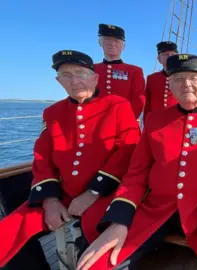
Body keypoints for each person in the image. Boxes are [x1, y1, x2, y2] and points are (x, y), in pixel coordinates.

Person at [76, 54, 197, 270]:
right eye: (178, 78)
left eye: (193, 78)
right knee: (96, 264)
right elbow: (136, 175)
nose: (186, 84)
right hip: (155, 212)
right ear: (170, 85)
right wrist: (119, 220)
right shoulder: (155, 121)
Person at [0, 50, 140, 269]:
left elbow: (128, 151)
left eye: (80, 74)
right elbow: (42, 156)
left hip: (107, 192)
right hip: (63, 194)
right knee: (8, 231)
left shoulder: (118, 106)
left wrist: (93, 192)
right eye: (66, 75)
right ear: (59, 81)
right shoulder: (52, 112)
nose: (75, 81)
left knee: (96, 235)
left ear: (94, 78)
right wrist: (50, 200)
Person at [94, 23, 146, 119]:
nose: (112, 43)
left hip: (123, 124)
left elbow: (138, 100)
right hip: (95, 123)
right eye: (107, 39)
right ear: (99, 42)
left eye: (116, 40)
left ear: (123, 46)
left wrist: (124, 120)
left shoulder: (135, 71)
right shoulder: (91, 69)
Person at [142, 41, 179, 123]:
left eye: (172, 55)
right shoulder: (152, 79)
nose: (169, 57)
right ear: (159, 59)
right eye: (165, 54)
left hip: (176, 122)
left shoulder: (184, 78)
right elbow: (147, 105)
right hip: (156, 123)